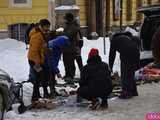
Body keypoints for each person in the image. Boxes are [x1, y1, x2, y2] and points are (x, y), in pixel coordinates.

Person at [109, 31, 140, 99]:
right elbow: (136, 40)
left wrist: (110, 67)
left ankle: (126, 92)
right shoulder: (125, 37)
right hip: (135, 52)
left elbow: (112, 55)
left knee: (125, 73)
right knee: (131, 73)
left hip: (126, 54)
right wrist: (137, 63)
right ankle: (133, 91)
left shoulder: (114, 40)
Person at [27, 19, 51, 101]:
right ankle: (35, 97)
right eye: (47, 27)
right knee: (38, 78)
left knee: (40, 77)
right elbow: (34, 50)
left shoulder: (41, 34)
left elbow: (40, 47)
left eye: (49, 27)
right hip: (34, 60)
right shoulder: (37, 35)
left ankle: (37, 95)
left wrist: (45, 49)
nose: (48, 29)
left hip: (38, 59)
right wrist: (37, 63)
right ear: (42, 26)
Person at [62, 12, 83, 82]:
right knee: (66, 61)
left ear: (69, 19)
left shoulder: (73, 26)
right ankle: (68, 74)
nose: (64, 20)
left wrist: (61, 36)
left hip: (72, 47)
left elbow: (68, 35)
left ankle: (71, 75)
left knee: (70, 62)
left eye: (65, 19)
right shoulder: (68, 25)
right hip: (67, 47)